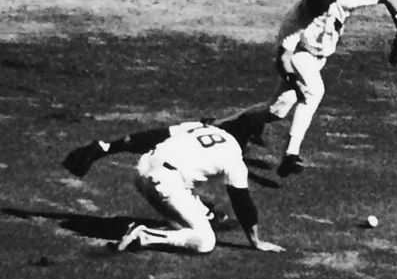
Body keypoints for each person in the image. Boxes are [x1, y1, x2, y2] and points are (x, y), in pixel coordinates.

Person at [62, 109, 282, 255]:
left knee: (198, 208)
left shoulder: (200, 127)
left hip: (142, 171)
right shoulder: (234, 158)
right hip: (166, 185)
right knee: (206, 242)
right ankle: (144, 235)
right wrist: (256, 242)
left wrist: (109, 148)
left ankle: (203, 214)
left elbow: (150, 137)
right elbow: (242, 203)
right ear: (249, 139)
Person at [267, 0, 397, 177]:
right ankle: (290, 154)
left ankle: (228, 125)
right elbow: (284, 58)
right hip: (298, 57)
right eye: (318, 1)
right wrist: (294, 80)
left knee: (274, 112)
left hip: (319, 59)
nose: (323, 6)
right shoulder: (295, 18)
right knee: (314, 91)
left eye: (326, 1)